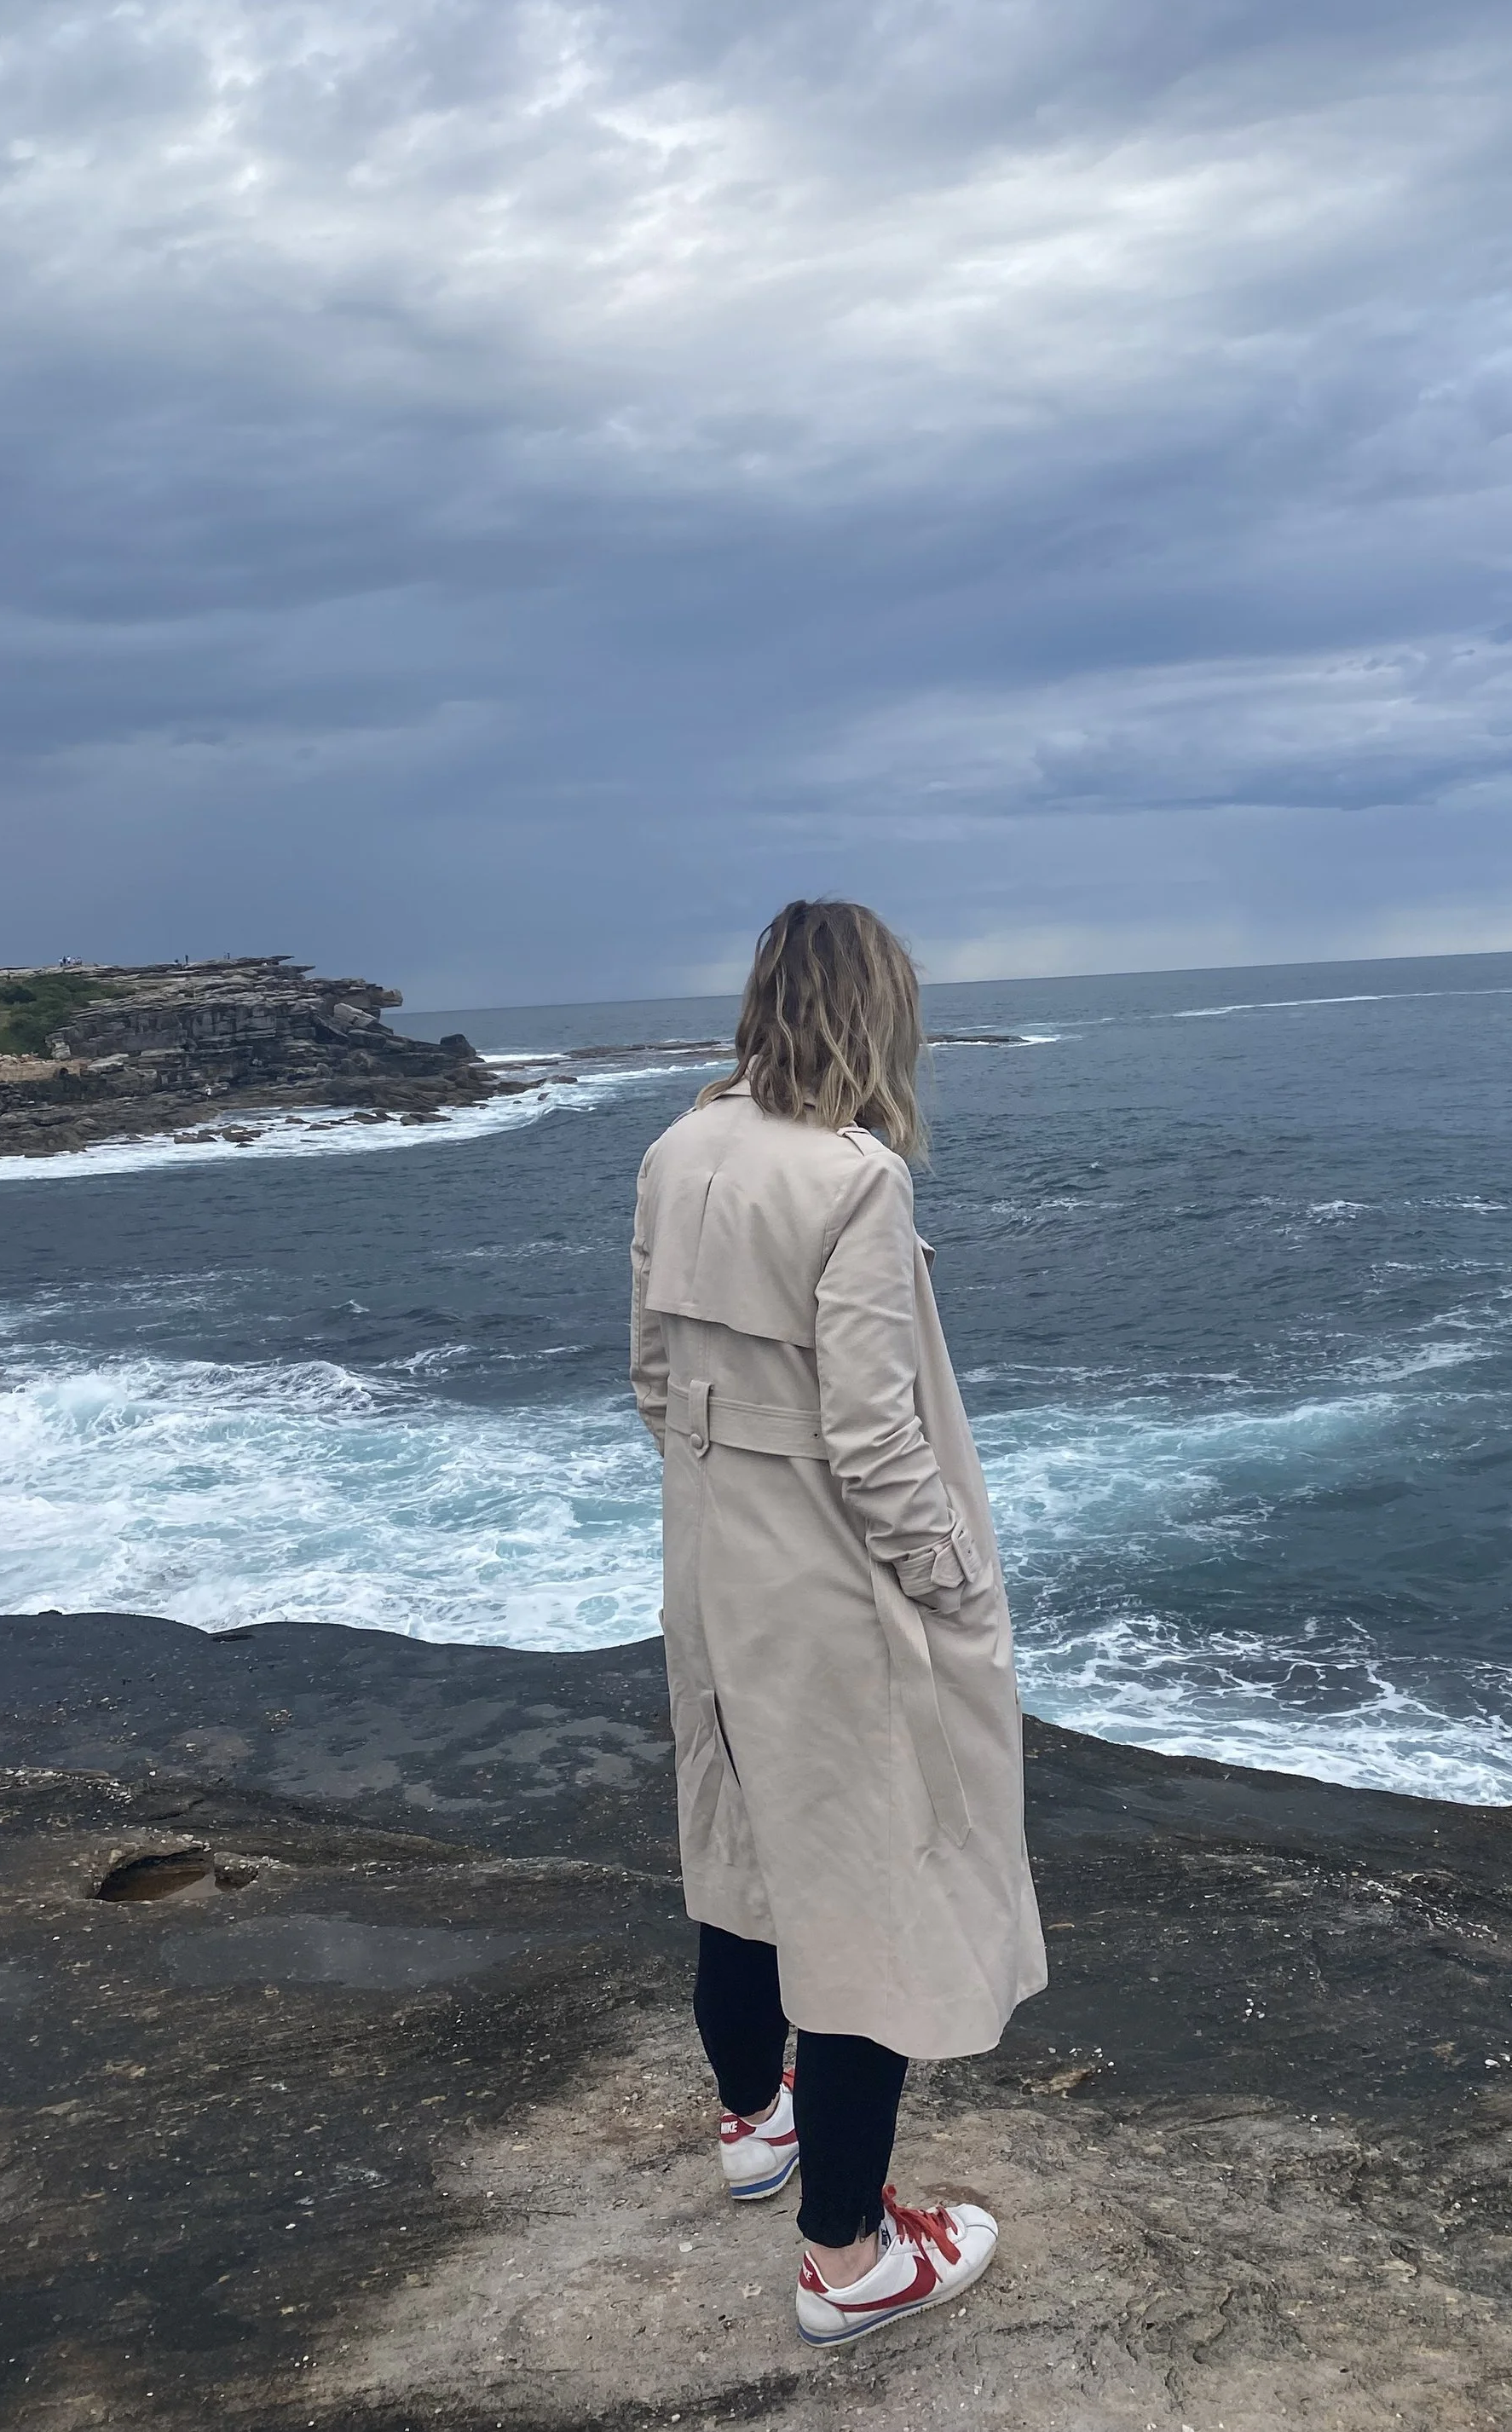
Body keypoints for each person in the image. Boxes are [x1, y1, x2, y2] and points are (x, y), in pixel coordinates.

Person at [629, 898, 1047, 2348]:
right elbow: (876, 1442)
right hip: (824, 1589)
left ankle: (756, 2125)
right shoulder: (853, 1180)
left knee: (738, 1847)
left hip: (712, 1565)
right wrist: (953, 1584)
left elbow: (645, 1372)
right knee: (867, 1897)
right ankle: (848, 2257)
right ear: (877, 1015)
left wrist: (725, 1489)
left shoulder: (679, 1145)